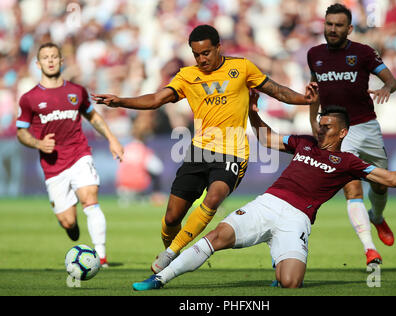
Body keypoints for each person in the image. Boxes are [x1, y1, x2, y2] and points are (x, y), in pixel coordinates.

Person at [131, 91, 396, 290]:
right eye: (320, 123)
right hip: (268, 203)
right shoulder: (303, 142)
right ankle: (160, 278)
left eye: (327, 125)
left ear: (343, 131)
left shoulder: (349, 161)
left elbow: (390, 179)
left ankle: (278, 260)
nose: (321, 127)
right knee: (216, 237)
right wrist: (254, 113)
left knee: (290, 283)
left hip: (298, 219)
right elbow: (267, 139)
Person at [92, 24, 316, 274]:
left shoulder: (242, 68)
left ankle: (171, 253)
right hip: (199, 150)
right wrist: (121, 101)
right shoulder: (187, 75)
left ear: (218, 47)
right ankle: (172, 249)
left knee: (214, 197)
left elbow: (276, 90)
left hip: (233, 152)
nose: (201, 59)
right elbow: (157, 99)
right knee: (171, 218)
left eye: (206, 53)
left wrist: (304, 100)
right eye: (196, 54)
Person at [16, 42, 124, 267]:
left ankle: (101, 257)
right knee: (67, 222)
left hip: (79, 154)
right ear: (38, 63)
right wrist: (37, 143)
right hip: (53, 165)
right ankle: (72, 226)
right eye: (46, 57)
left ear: (61, 61)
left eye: (54, 56)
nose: (51, 60)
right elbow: (21, 132)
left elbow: (92, 117)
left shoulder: (76, 92)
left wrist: (112, 139)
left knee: (90, 199)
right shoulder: (30, 98)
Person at [307, 3, 396, 265]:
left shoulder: (364, 53)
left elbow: (392, 81)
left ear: (349, 29)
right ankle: (370, 250)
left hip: (366, 125)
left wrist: (386, 89)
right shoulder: (314, 54)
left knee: (381, 184)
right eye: (329, 24)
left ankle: (378, 217)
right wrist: (312, 120)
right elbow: (315, 90)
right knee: (352, 186)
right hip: (336, 131)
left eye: (338, 25)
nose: (332, 29)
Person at [115, 113, 166, 207]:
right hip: (139, 189)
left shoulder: (125, 148)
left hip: (122, 189)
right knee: (153, 172)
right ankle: (156, 195)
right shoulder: (144, 151)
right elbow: (158, 169)